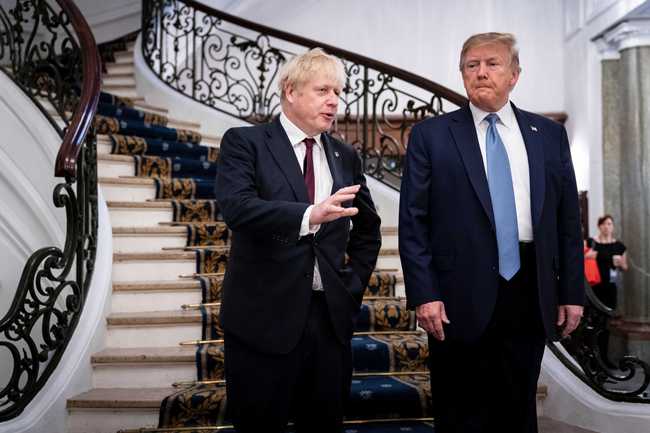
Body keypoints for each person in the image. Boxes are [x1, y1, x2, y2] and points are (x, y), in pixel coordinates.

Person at [399, 32, 584, 433]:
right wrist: (424, 293)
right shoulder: (433, 135)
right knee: (459, 409)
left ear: (515, 74)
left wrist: (572, 291)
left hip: (529, 288)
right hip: (454, 296)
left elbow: (568, 220)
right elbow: (413, 221)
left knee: (517, 407)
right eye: (471, 65)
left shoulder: (548, 135)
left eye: (492, 64)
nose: (481, 72)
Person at [215, 48, 382, 433]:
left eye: (338, 92)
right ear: (290, 92)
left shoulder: (345, 155)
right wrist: (310, 216)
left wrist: (351, 285)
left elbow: (368, 230)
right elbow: (238, 209)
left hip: (328, 322)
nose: (334, 101)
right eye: (323, 90)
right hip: (262, 321)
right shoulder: (245, 143)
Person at [587, 214, 627, 309]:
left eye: (609, 224)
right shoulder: (591, 242)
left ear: (613, 226)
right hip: (594, 281)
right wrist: (605, 257)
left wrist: (620, 263)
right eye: (603, 224)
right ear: (599, 226)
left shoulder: (619, 246)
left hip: (611, 282)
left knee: (609, 309)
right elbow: (584, 257)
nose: (606, 226)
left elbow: (625, 267)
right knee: (593, 309)